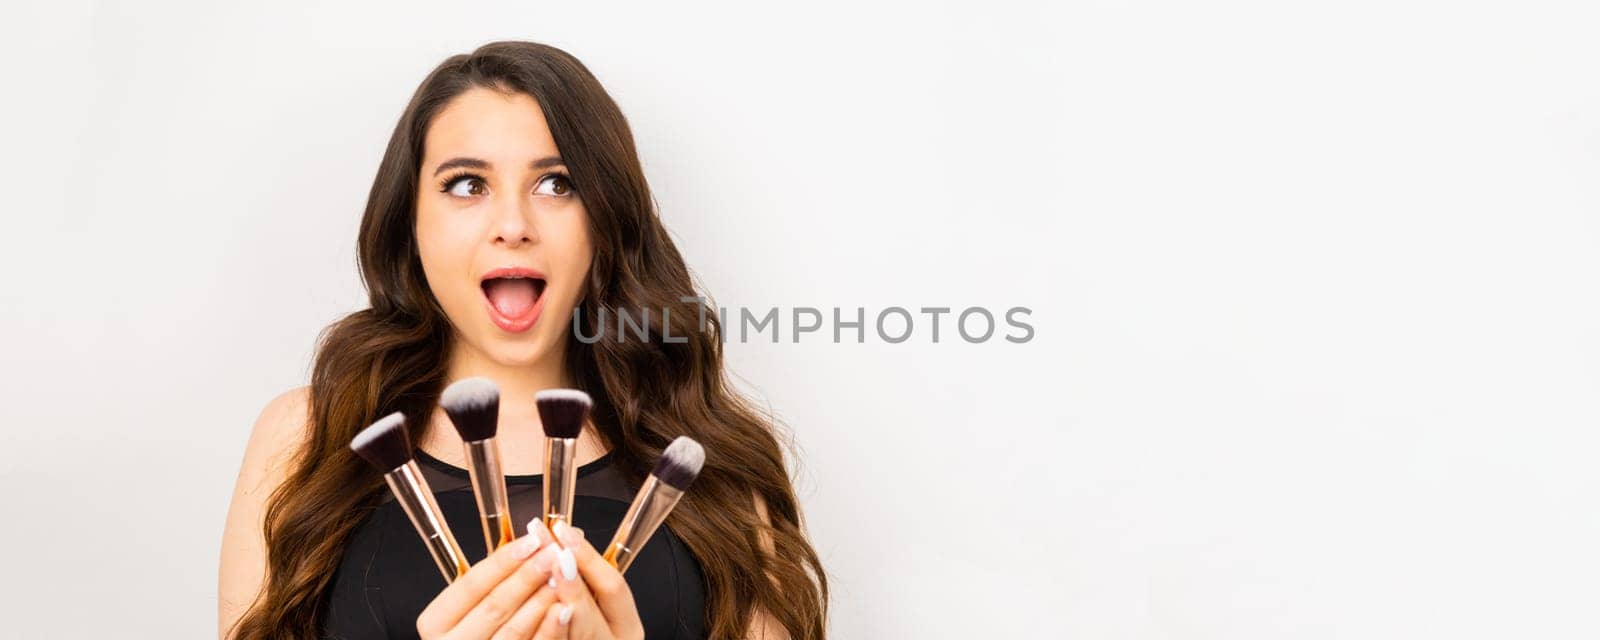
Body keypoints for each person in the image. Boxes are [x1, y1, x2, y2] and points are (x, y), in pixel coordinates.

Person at [218, 41, 827, 639]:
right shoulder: (308, 438)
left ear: (606, 218)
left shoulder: (715, 465)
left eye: (557, 184)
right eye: (466, 185)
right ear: (410, 220)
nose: (513, 226)